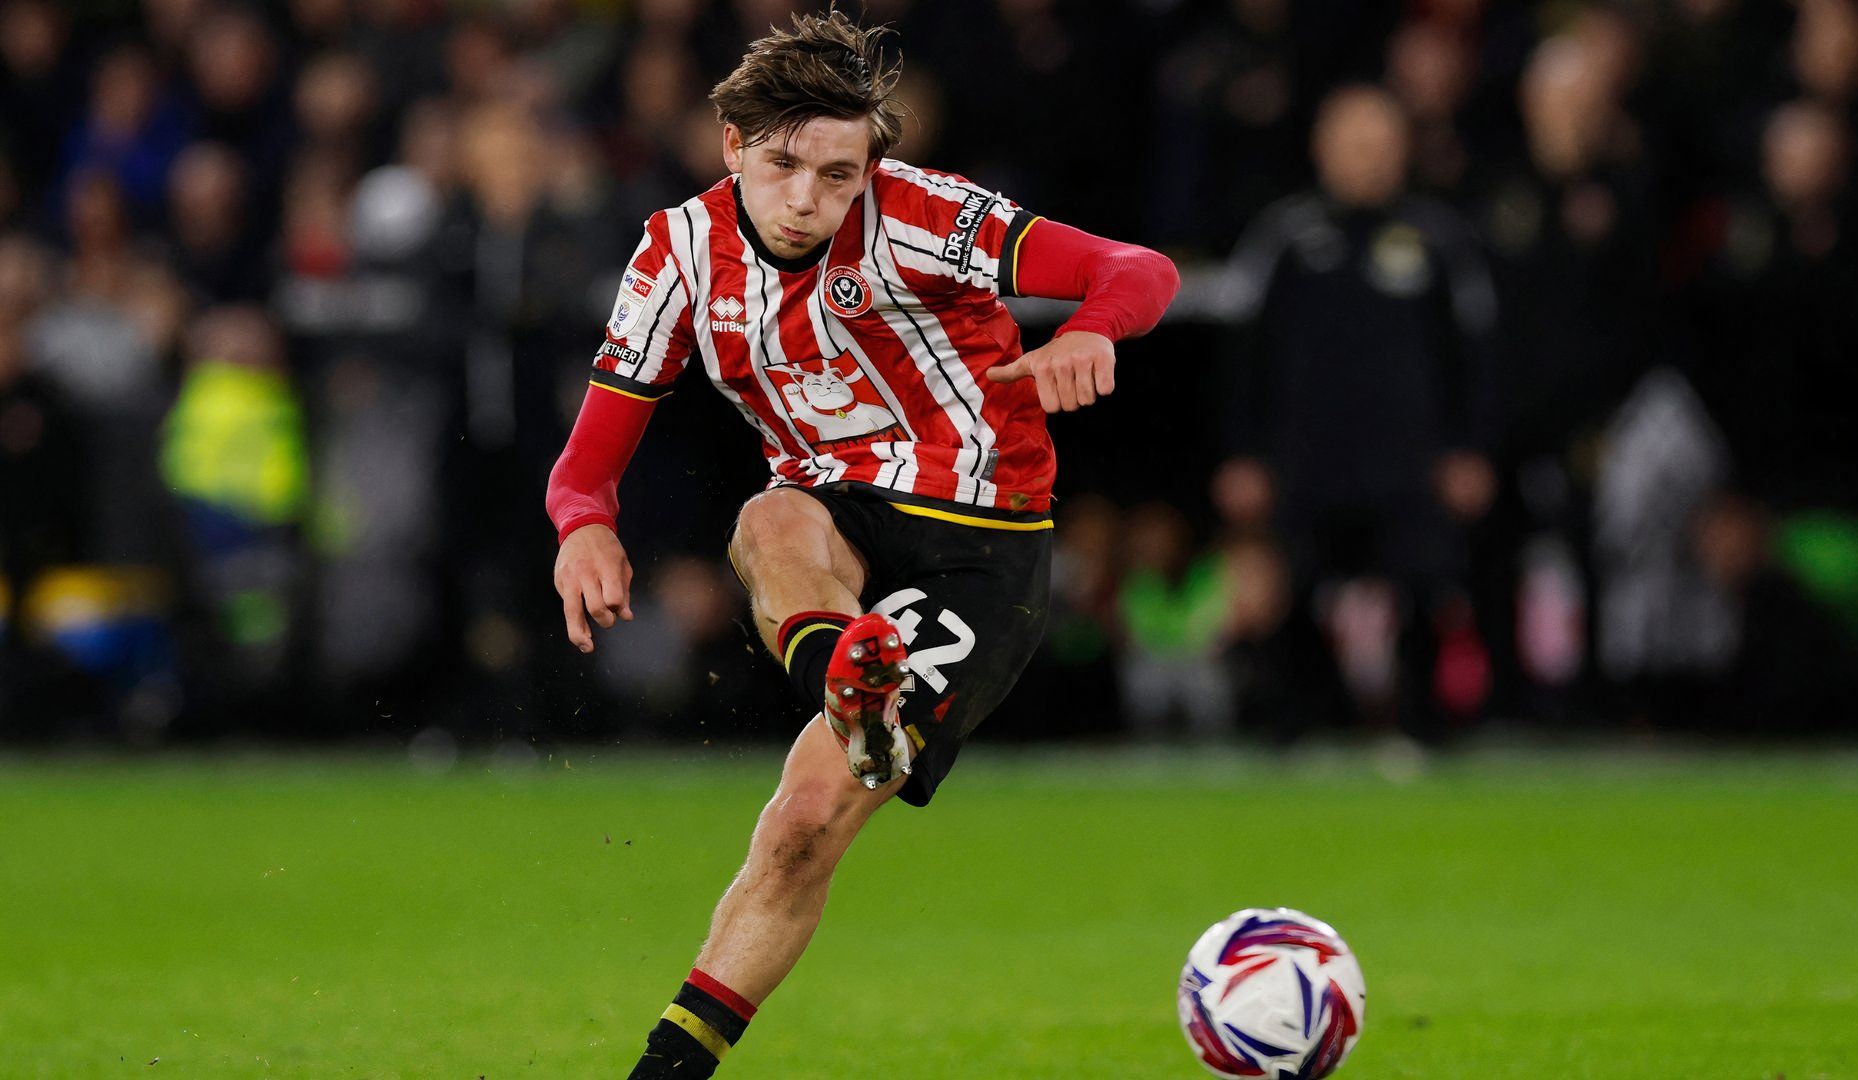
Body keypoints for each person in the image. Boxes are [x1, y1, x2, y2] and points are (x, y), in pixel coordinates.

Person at [542, 13, 1178, 1078]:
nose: (808, 200)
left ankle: (854, 693)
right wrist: (585, 529)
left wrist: (1089, 330)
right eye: (785, 165)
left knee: (803, 823)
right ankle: (851, 674)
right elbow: (586, 461)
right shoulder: (678, 254)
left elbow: (1137, 266)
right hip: (833, 522)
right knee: (766, 516)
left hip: (978, 548)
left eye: (838, 174)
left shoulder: (924, 215)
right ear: (734, 148)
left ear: (868, 164)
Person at [1216, 85, 1498, 740]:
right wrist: (1242, 453)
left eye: (1380, 145)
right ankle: (1301, 725)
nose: (1368, 159)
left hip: (1410, 466)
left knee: (1430, 592)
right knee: (1290, 599)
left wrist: (1470, 448)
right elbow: (1242, 359)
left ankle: (1428, 731)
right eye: (1354, 145)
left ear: (1403, 151)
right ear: (1323, 149)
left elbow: (1475, 357)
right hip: (1305, 463)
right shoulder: (1282, 239)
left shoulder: (1438, 239)